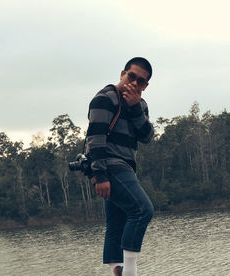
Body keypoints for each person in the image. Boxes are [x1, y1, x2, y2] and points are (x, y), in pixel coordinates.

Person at [85, 57, 155, 276]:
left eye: (140, 81)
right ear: (122, 73)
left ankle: (117, 271)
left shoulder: (141, 105)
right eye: (131, 76)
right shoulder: (105, 98)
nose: (134, 83)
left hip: (126, 167)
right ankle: (130, 272)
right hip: (111, 166)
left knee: (116, 222)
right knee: (142, 210)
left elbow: (147, 137)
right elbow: (95, 139)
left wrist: (135, 108)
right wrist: (100, 175)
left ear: (145, 86)